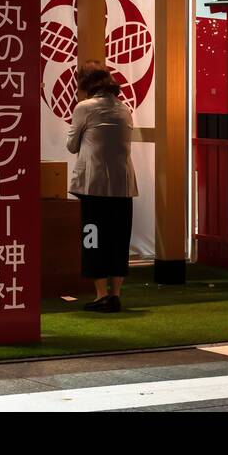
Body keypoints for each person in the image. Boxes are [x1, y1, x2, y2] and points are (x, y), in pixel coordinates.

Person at [66, 61, 138, 312]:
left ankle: (100, 294)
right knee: (118, 239)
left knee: (93, 238)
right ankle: (116, 294)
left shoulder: (84, 108)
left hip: (93, 185)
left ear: (85, 83)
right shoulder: (123, 109)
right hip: (123, 185)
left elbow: (72, 145)